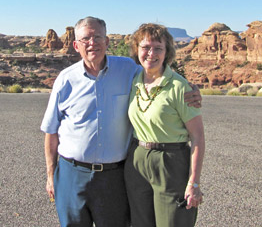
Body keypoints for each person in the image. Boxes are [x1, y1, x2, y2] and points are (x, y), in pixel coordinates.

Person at [40, 16, 202, 227]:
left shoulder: (128, 70)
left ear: (107, 42)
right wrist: (51, 176)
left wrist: (191, 91)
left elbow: (158, 74)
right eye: (86, 38)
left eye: (98, 37)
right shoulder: (65, 79)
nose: (92, 43)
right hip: (72, 174)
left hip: (113, 177)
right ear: (75, 45)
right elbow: (51, 132)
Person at [124, 23, 205, 227]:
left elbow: (197, 137)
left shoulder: (180, 87)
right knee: (140, 222)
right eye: (145, 47)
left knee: (173, 222)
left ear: (167, 52)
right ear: (136, 50)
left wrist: (193, 183)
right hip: (137, 159)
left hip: (171, 161)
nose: (151, 53)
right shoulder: (133, 80)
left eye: (158, 48)